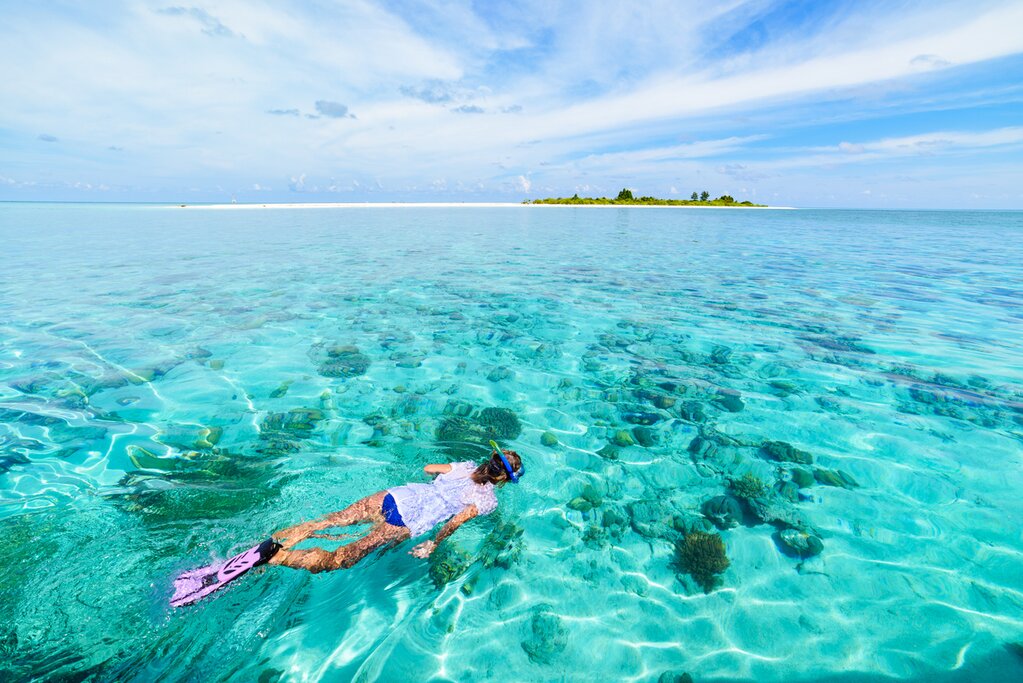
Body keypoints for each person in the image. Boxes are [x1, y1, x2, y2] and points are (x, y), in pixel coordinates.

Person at [266, 444, 524, 573]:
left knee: (330, 521)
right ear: (503, 479)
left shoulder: (464, 466)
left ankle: (278, 539)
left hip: (396, 496)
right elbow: (455, 522)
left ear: (491, 459)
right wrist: (433, 544)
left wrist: (439, 483)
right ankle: (280, 558)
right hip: (406, 521)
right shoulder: (487, 500)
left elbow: (428, 469)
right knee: (341, 559)